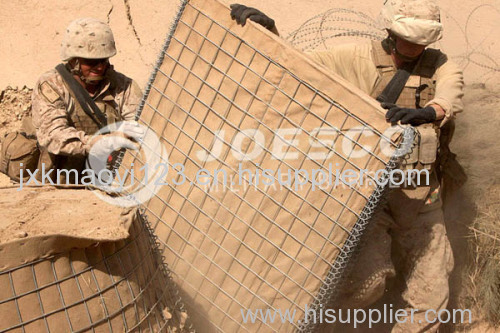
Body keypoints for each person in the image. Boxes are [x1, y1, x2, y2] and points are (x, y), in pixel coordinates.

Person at [230, 1, 464, 331]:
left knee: (432, 291)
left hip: (422, 195)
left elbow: (451, 92)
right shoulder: (355, 58)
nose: (415, 48)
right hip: (369, 198)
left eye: (422, 41)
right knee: (362, 287)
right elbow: (300, 69)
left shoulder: (438, 64)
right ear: (391, 33)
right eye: (409, 39)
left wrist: (431, 112)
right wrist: (271, 33)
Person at [31, 17, 144, 183]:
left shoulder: (123, 85)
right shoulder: (51, 85)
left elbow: (140, 126)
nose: (99, 67)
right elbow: (54, 135)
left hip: (110, 178)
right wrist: (103, 142)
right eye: (91, 62)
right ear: (73, 60)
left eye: (103, 60)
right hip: (62, 180)